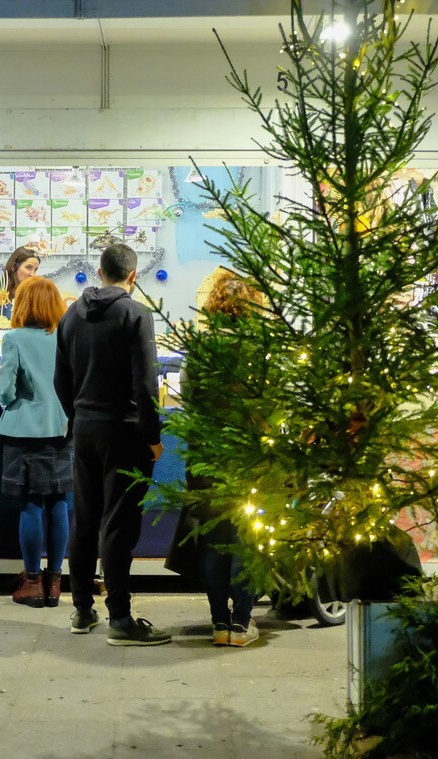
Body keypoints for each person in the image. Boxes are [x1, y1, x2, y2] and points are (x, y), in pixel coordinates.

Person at [55, 244, 171, 646]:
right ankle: (119, 618)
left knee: (85, 520)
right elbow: (146, 384)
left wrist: (77, 417)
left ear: (99, 273)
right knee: (119, 525)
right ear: (133, 277)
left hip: (84, 431)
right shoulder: (136, 315)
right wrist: (152, 437)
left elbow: (61, 379)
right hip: (123, 434)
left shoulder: (71, 315)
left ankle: (82, 609)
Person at [167, 273, 262, 647]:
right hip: (247, 456)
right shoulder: (257, 348)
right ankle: (242, 623)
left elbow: (188, 393)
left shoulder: (201, 348)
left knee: (213, 539)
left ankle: (219, 623)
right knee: (247, 539)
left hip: (206, 454)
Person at [0, 276, 74, 608]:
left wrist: (0, 382)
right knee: (59, 504)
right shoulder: (66, 336)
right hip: (63, 428)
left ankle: (31, 582)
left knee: (30, 504)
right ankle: (55, 582)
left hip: (24, 432)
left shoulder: (13, 338)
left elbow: (6, 392)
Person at [0, 247, 41, 318]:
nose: (33, 274)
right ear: (13, 266)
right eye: (28, 267)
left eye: (35, 269)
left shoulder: (36, 295)